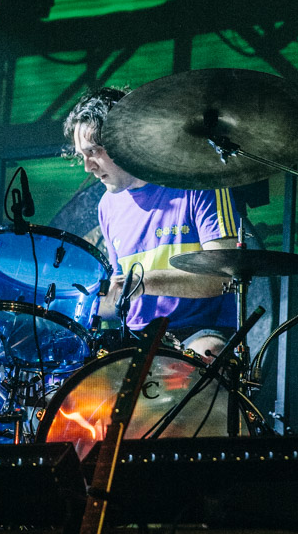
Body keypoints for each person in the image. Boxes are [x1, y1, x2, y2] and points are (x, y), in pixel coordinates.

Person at [63, 87, 240, 360]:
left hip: (200, 332)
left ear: (124, 139)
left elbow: (224, 277)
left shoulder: (198, 182)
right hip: (135, 338)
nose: (88, 166)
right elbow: (117, 297)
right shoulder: (107, 207)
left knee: (209, 353)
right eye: (81, 155)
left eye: (94, 151)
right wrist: (66, 304)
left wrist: (142, 282)